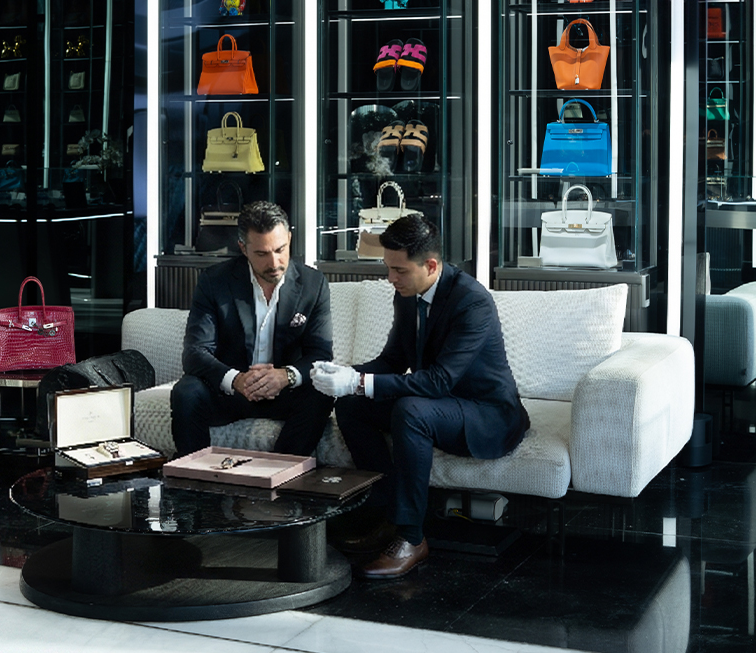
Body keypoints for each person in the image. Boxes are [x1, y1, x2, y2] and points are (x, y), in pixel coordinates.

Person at [311, 214, 529, 580]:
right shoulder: (408, 295)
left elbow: (439, 381)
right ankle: (389, 514)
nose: (390, 279)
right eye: (388, 268)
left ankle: (412, 538)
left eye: (399, 270)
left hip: (487, 414)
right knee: (351, 405)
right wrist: (345, 374)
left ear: (430, 265)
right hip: (439, 406)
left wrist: (360, 381)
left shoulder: (471, 301)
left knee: (412, 410)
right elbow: (392, 360)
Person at [171, 201, 335, 456]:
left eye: (280, 249)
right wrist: (236, 379)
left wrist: (285, 376)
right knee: (187, 392)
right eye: (262, 254)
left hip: (282, 392)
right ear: (243, 248)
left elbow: (320, 354)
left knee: (321, 392)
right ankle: (195, 482)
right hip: (230, 392)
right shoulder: (215, 282)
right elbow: (195, 353)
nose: (274, 262)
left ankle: (281, 473)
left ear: (290, 238)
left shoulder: (313, 284)